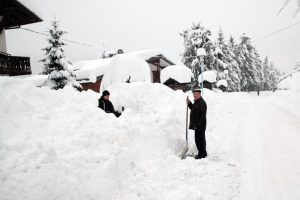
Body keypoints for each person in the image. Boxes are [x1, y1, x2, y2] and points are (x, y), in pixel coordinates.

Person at [186, 88, 207, 159]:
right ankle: (203, 153)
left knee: (199, 140)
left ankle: (201, 155)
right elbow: (194, 109)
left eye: (196, 94)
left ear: (200, 94)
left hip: (199, 126)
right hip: (199, 126)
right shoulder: (198, 102)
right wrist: (189, 103)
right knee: (201, 139)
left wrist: (197, 126)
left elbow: (202, 116)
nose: (195, 95)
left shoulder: (201, 103)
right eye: (194, 94)